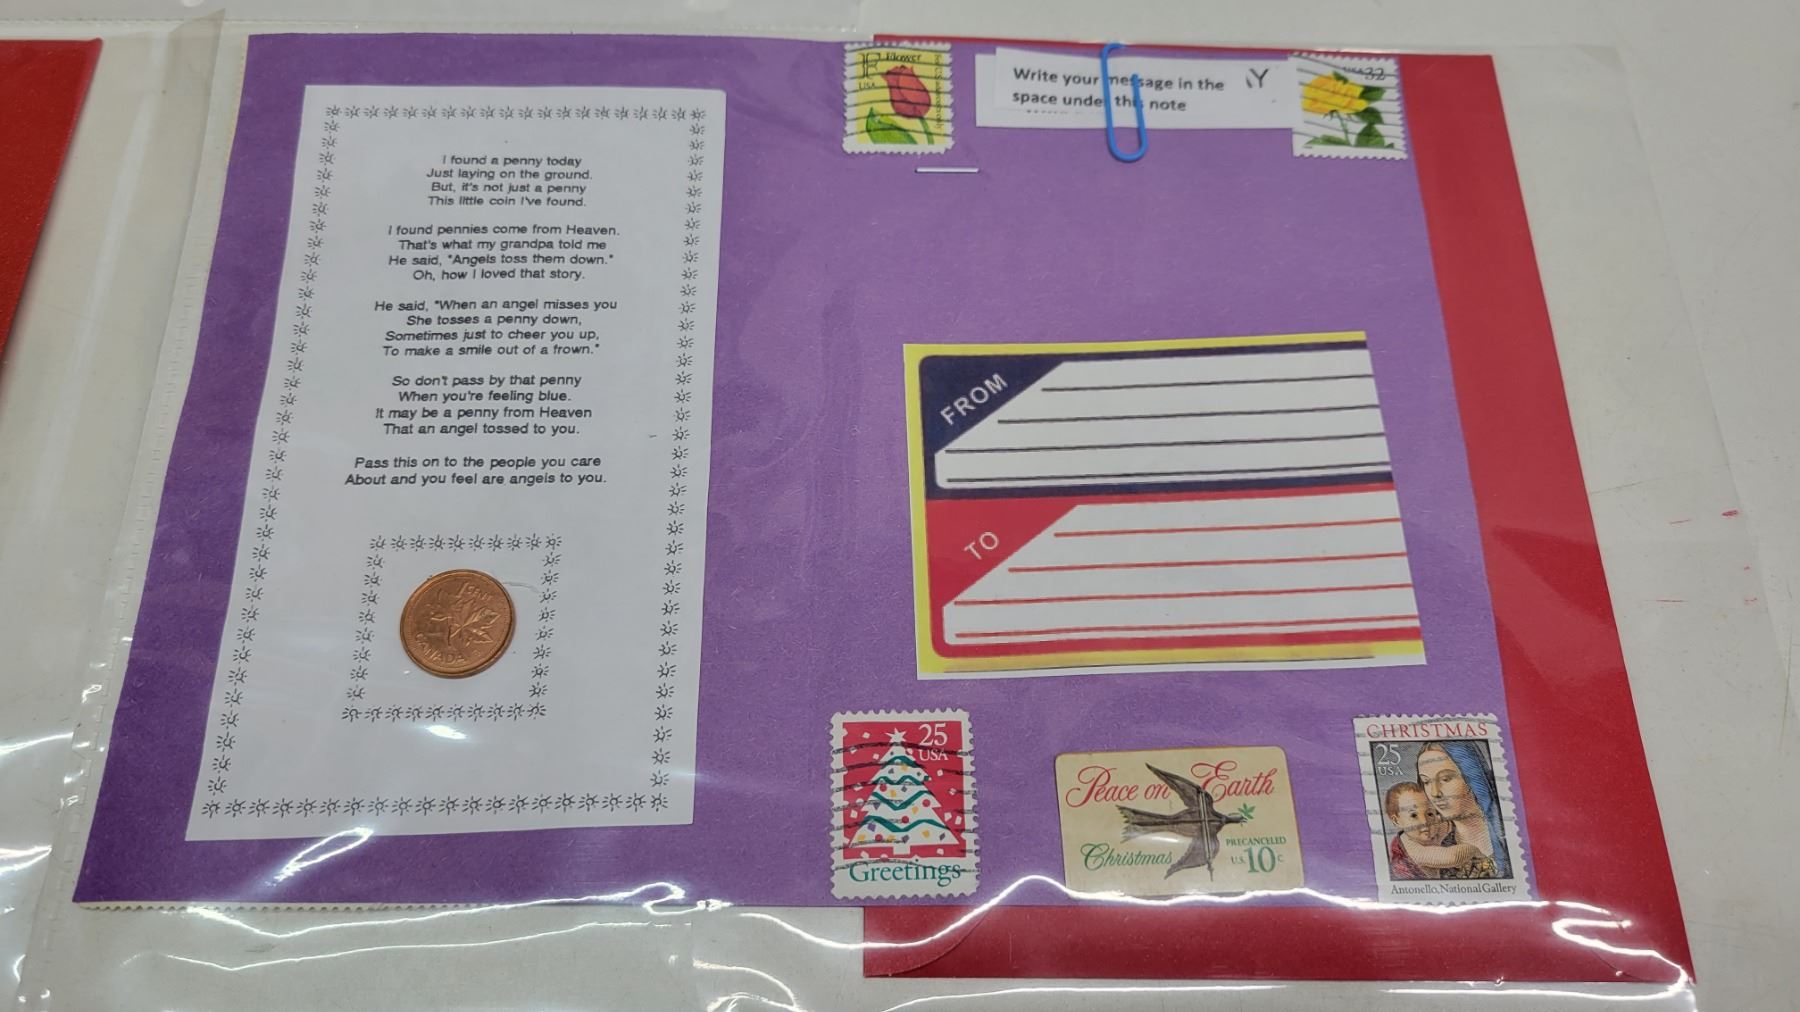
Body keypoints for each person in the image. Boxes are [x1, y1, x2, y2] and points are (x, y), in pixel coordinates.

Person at [1415, 740, 1511, 879]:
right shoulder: (1442, 849)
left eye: (1446, 779)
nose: (1435, 793)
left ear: (1472, 777)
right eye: (1426, 782)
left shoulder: (1508, 836)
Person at [1383, 781, 1486, 879]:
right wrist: (1474, 850)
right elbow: (1452, 857)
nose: (1425, 821)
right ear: (1397, 821)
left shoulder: (1431, 826)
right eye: (1413, 815)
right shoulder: (1412, 849)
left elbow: (1448, 823)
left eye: (1429, 814)